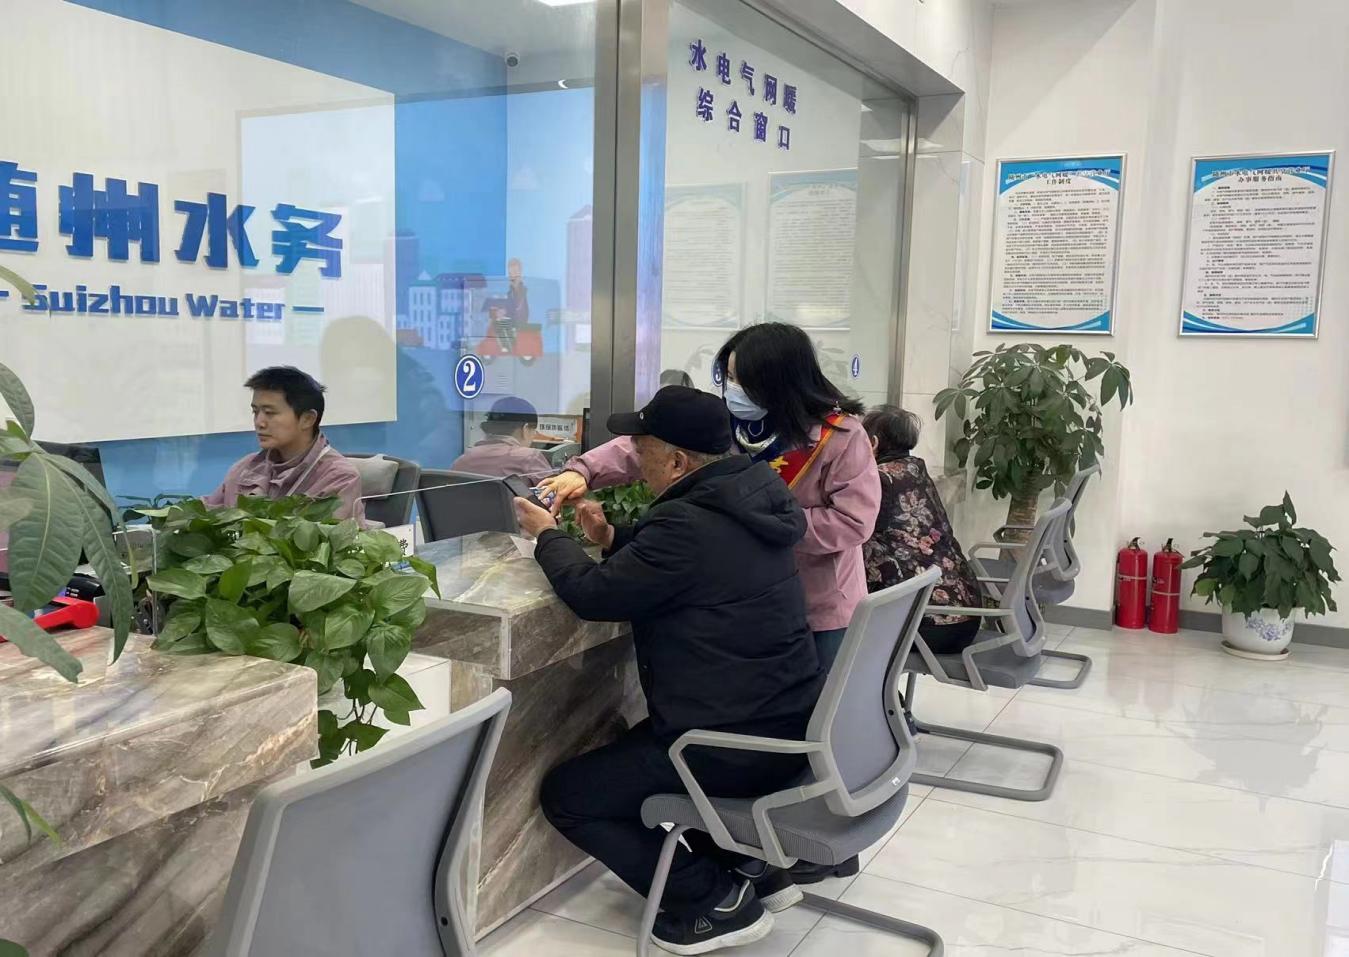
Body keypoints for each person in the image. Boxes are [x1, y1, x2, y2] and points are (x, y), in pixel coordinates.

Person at [514, 385, 823, 955]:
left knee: (570, 795)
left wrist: (547, 537)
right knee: (625, 752)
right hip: (781, 721)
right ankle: (753, 867)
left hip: (728, 743)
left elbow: (594, 595)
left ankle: (712, 901)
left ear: (678, 462)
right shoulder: (752, 497)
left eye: (642, 451)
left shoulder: (687, 522)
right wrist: (612, 538)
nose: (636, 461)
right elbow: (698, 559)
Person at [540, 323, 881, 671]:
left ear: (779, 382)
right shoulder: (730, 420)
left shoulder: (840, 437)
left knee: (819, 699)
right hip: (742, 601)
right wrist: (583, 470)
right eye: (729, 377)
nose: (733, 390)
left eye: (742, 380)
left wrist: (754, 525)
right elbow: (649, 448)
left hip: (819, 605)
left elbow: (853, 521)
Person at [862, 405, 983, 653]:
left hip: (928, 626)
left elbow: (854, 533)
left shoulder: (878, 478)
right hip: (965, 614)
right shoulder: (915, 468)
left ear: (872, 443)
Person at [204, 367, 365, 523]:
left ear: (307, 419)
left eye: (270, 413)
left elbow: (324, 539)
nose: (259, 422)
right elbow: (205, 515)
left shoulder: (340, 478)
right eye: (255, 412)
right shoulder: (244, 467)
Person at [450, 396, 553, 480]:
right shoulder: (530, 458)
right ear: (525, 429)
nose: (534, 436)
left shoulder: (461, 461)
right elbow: (555, 493)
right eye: (534, 431)